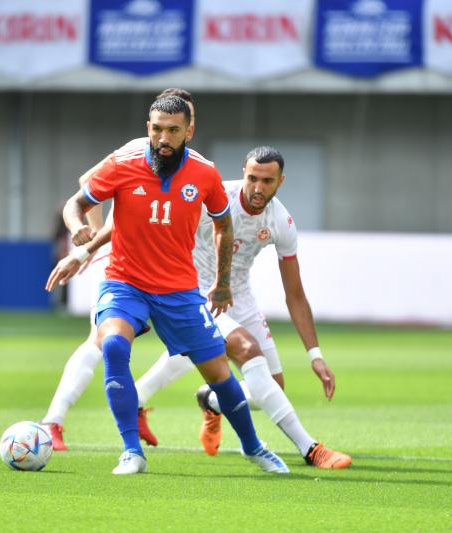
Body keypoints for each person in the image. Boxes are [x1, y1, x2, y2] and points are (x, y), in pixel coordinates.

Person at [51, 146, 351, 470]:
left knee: (270, 387)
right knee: (246, 350)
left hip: (237, 293)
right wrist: (84, 252)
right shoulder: (213, 193)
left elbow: (295, 294)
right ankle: (310, 449)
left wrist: (315, 355)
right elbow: (122, 210)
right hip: (193, 287)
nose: (257, 187)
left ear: (281, 182)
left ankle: (209, 400)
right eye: (252, 178)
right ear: (243, 173)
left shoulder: (281, 221)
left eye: (267, 181)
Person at [50, 96, 288, 475]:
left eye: (173, 130)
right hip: (125, 281)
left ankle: (253, 446)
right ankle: (131, 451)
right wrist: (78, 229)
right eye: (157, 129)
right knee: (112, 344)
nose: (164, 137)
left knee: (218, 372)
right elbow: (75, 202)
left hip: (179, 289)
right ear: (148, 127)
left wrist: (222, 282)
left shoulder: (204, 173)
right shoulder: (123, 164)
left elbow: (223, 226)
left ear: (188, 132)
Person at [41, 89, 195, 451]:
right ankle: (52, 421)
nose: (171, 132)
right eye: (164, 124)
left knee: (196, 347)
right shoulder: (139, 149)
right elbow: (87, 181)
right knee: (100, 340)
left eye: (184, 121)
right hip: (124, 262)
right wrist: (94, 241)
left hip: (169, 267)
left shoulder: (191, 163)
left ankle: (137, 399)